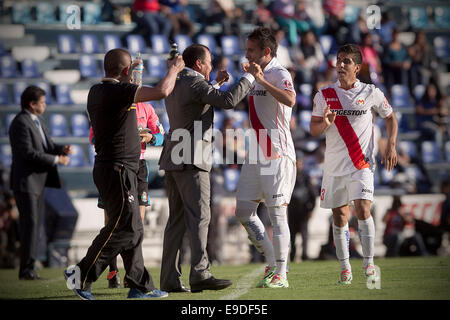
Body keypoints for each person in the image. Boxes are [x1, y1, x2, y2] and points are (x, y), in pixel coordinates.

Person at [64, 48, 184, 300]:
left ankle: (138, 285)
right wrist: (174, 68)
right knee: (123, 227)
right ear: (127, 70)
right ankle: (81, 273)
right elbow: (162, 91)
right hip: (119, 168)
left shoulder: (97, 91)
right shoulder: (118, 91)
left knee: (133, 227)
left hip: (114, 167)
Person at [159, 43, 258, 293]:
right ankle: (200, 272)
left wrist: (214, 84)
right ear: (198, 64)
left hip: (174, 158)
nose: (212, 66)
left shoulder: (178, 81)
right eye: (209, 61)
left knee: (176, 222)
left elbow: (195, 102)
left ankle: (169, 277)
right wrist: (249, 76)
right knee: (200, 217)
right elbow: (228, 101)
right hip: (192, 158)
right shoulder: (193, 82)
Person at [310, 44, 398, 284]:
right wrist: (326, 123)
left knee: (363, 208)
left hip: (362, 164)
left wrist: (390, 145)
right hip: (334, 167)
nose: (340, 65)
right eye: (339, 60)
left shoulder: (371, 92)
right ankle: (345, 268)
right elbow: (313, 129)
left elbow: (390, 118)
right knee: (339, 217)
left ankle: (369, 263)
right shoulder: (324, 95)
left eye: (346, 61)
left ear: (357, 67)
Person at [234, 27, 297, 289]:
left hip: (277, 152)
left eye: (251, 50)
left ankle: (281, 274)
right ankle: (272, 260)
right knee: (243, 211)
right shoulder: (255, 73)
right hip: (256, 151)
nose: (246, 54)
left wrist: (261, 80)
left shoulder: (279, 73)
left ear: (266, 52)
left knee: (277, 215)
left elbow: (291, 100)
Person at [88, 100, 164, 288]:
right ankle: (112, 272)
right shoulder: (111, 103)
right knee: (112, 223)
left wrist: (150, 138)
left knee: (137, 225)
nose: (136, 78)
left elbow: (161, 135)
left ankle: (133, 276)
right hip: (115, 165)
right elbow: (93, 137)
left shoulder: (146, 107)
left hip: (139, 167)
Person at [9, 85, 72, 280]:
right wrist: (56, 160)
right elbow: (28, 153)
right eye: (42, 102)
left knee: (35, 226)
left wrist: (62, 149)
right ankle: (26, 269)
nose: (45, 105)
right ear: (32, 104)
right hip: (26, 182)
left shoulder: (38, 121)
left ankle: (29, 267)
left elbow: (48, 146)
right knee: (30, 225)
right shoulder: (21, 123)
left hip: (38, 182)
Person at [288, 152, 316, 262]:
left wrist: (311, 209)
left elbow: (312, 195)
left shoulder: (306, 177)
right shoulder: (289, 176)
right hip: (292, 210)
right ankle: (293, 255)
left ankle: (304, 255)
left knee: (304, 235)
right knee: (292, 235)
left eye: (299, 163)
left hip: (303, 210)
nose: (298, 165)